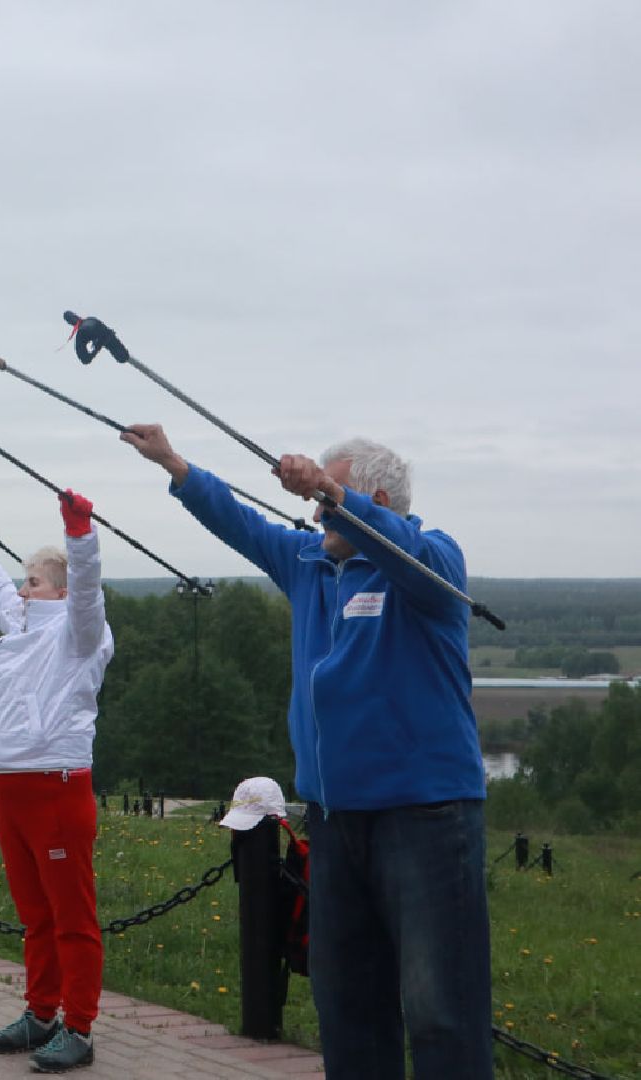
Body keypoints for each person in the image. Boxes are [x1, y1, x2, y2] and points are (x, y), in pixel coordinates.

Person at [123, 425, 491, 1077]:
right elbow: (238, 522)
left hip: (426, 821)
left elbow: (409, 556)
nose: (317, 511)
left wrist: (331, 492)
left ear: (373, 498)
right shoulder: (308, 564)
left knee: (439, 1011)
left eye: (333, 495)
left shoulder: (430, 562)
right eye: (319, 498)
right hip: (333, 817)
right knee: (346, 1004)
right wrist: (175, 465)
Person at [0, 489, 114, 1073]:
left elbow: (89, 586)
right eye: (26, 582)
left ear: (63, 592)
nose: (23, 590)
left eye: (36, 582)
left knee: (71, 915)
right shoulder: (19, 626)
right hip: (10, 788)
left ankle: (80, 1025)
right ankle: (42, 1012)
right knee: (35, 914)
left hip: (55, 787)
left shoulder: (78, 634)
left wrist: (80, 534)